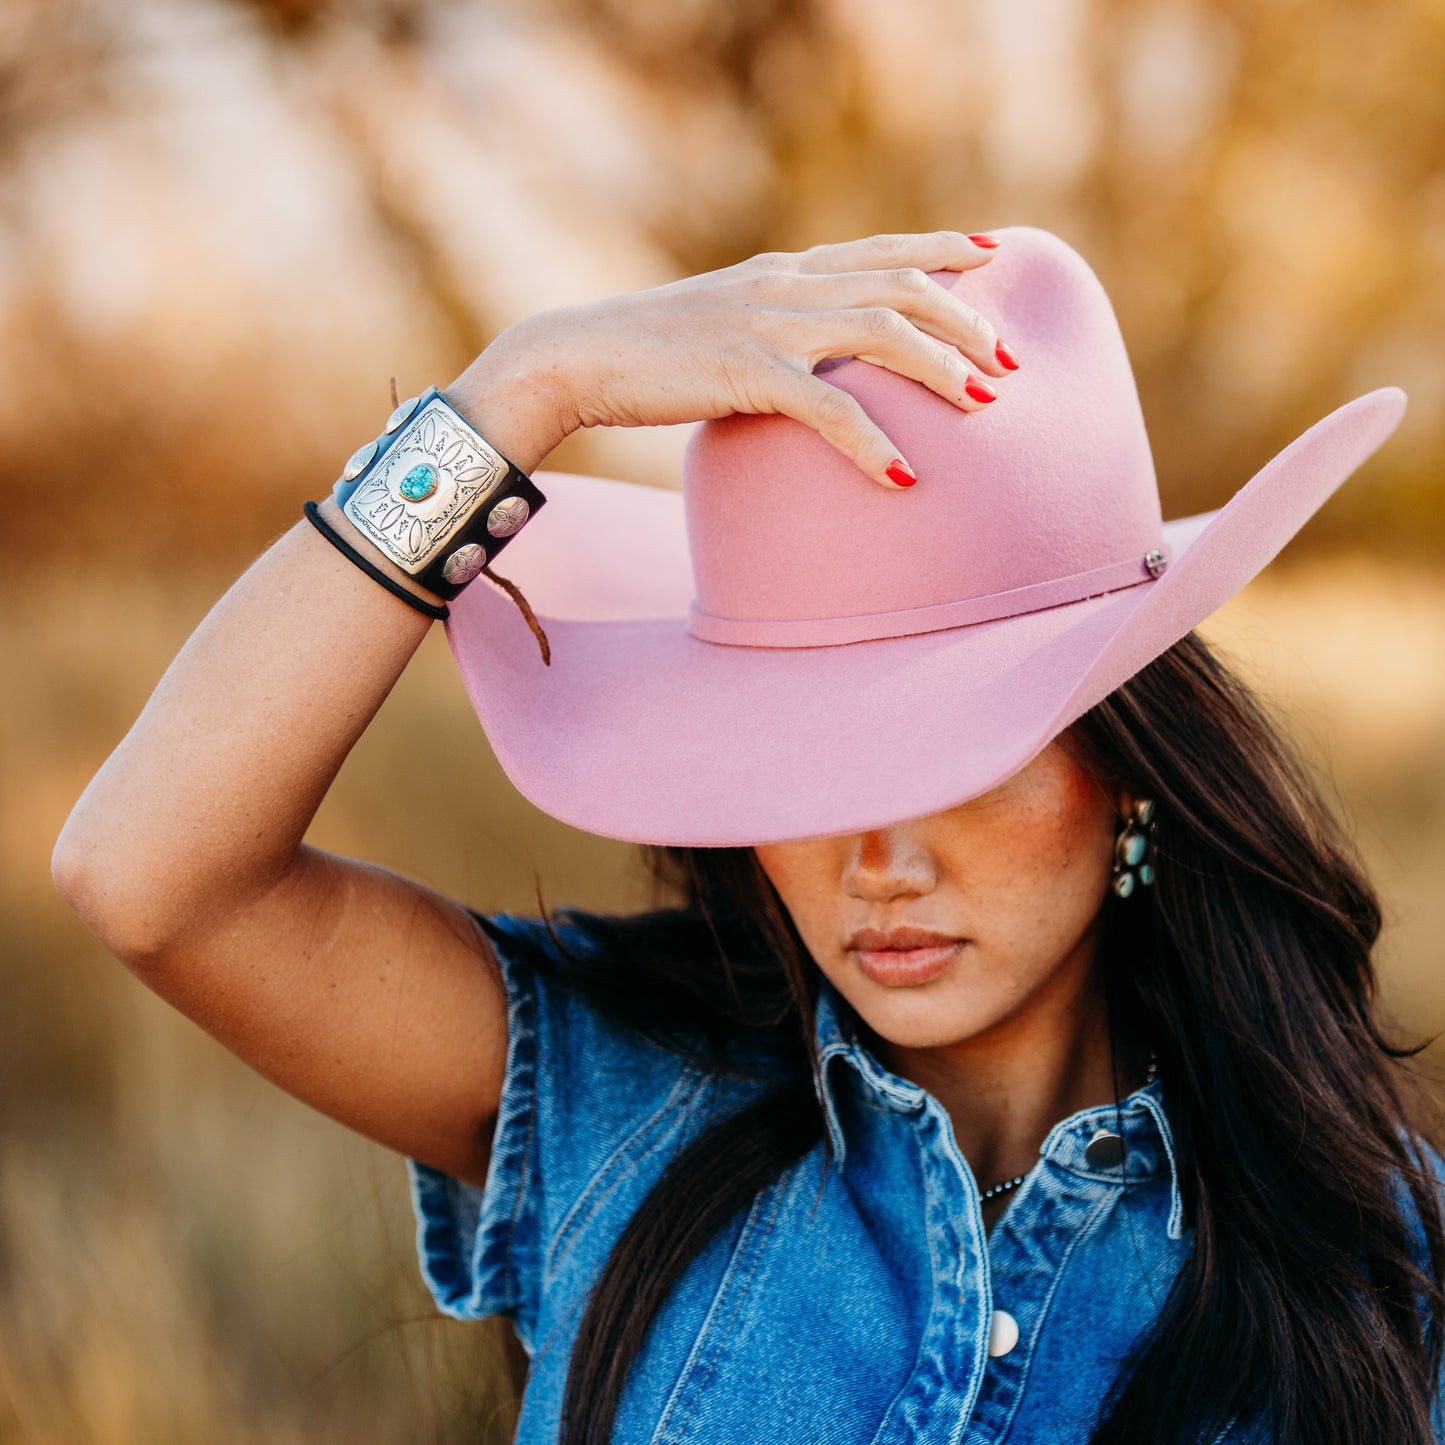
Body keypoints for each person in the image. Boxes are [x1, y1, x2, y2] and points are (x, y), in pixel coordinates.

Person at [51, 225, 1445, 1444]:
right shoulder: (620, 1092)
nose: (875, 863)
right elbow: (148, 875)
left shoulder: (1381, 1264)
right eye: (797, 768)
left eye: (957, 758)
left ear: (1130, 769)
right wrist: (520, 389)